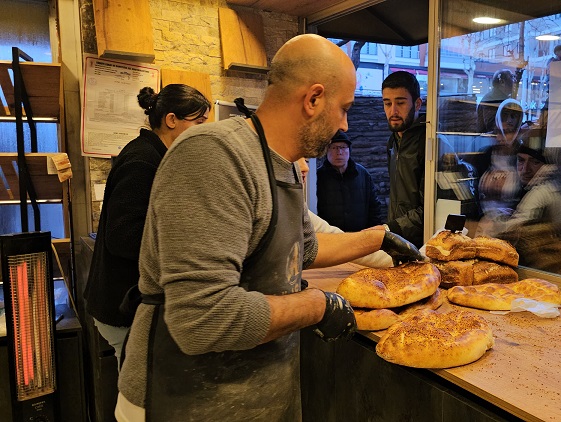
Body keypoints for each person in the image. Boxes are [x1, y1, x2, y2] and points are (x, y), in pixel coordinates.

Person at [115, 34, 422, 422]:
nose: (345, 122)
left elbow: (304, 251)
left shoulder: (286, 165)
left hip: (257, 395)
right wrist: (317, 305)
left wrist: (377, 238)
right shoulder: (212, 155)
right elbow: (202, 319)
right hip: (184, 398)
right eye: (343, 108)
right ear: (313, 100)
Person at [84, 84, 211, 366]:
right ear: (171, 120)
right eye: (199, 122)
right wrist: (183, 245)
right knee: (137, 394)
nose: (204, 131)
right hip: (121, 306)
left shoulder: (157, 155)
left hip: (127, 302)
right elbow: (122, 235)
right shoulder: (142, 160)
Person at [297, 158, 393, 268]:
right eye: (294, 159)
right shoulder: (320, 175)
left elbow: (331, 235)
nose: (305, 167)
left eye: (305, 160)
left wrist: (395, 259)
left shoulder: (362, 174)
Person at [382, 70, 427, 247]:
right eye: (387, 103)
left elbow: (430, 207)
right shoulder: (393, 141)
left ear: (417, 104)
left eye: (400, 102)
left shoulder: (429, 142)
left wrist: (390, 228)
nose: (393, 111)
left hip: (423, 244)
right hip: (399, 239)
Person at [316, 130, 382, 232]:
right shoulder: (318, 177)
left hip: (360, 235)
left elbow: (374, 207)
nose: (339, 152)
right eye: (334, 148)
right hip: (330, 237)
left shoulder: (362, 174)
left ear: (349, 150)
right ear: (326, 151)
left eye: (343, 147)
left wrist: (372, 232)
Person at [477, 69, 515, 133]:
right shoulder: (492, 99)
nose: (515, 81)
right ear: (502, 82)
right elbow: (492, 126)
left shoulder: (502, 99)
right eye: (511, 77)